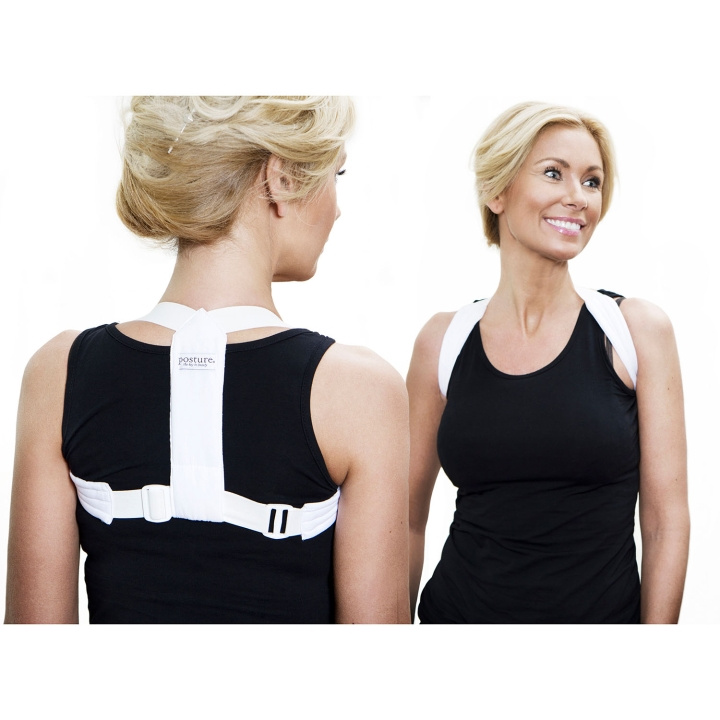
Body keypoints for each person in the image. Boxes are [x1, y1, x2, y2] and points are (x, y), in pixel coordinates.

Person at [5, 96, 410, 624]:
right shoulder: (359, 391)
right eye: (339, 174)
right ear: (281, 179)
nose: (337, 208)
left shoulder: (58, 372)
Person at [408, 101, 689, 623]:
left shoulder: (635, 332)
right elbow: (405, 519)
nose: (578, 197)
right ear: (497, 191)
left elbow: (665, 523)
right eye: (554, 173)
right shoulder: (442, 341)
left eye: (592, 181)